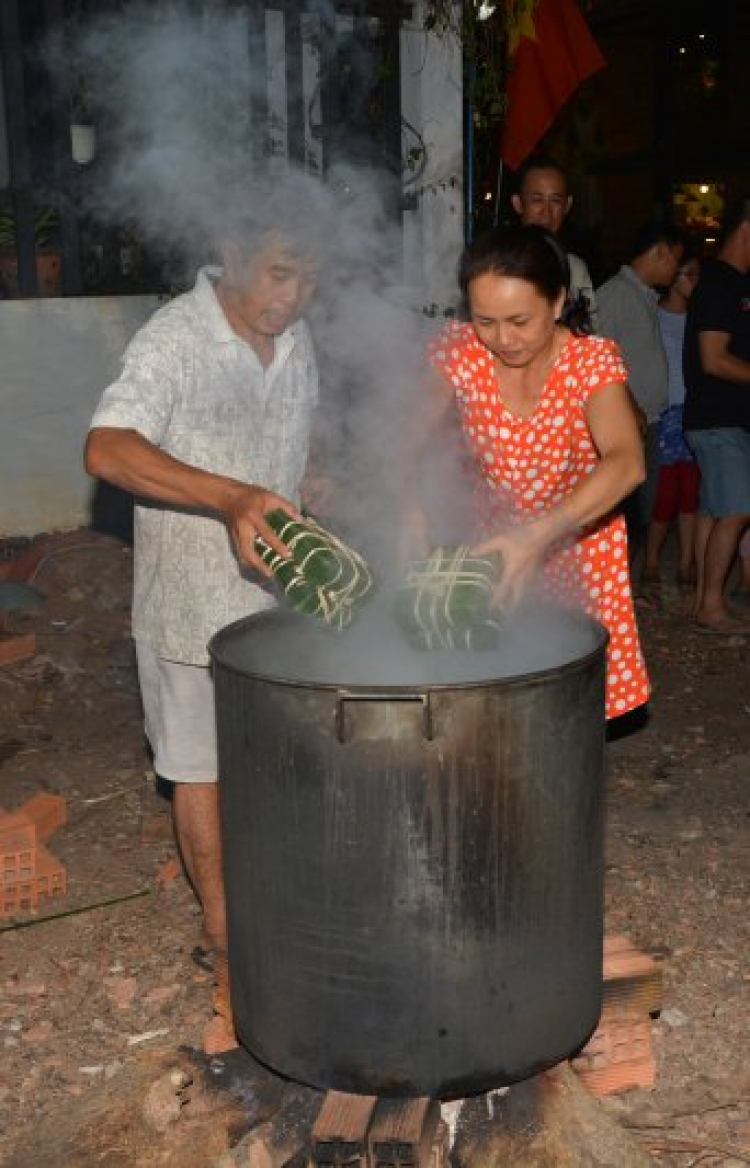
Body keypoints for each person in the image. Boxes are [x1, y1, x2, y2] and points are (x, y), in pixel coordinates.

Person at [84, 181, 324, 1044]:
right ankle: (226, 944)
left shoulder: (294, 342)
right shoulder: (176, 339)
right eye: (278, 273)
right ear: (230, 252)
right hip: (190, 608)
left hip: (277, 610)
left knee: (278, 768)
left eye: (308, 279)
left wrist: (312, 491)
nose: (291, 297)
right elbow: (106, 447)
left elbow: (294, 452)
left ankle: (278, 914)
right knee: (200, 769)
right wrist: (228, 498)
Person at [421, 225, 649, 721]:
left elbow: (627, 463)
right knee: (490, 700)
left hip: (579, 542)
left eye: (519, 320)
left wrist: (537, 536)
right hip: (494, 544)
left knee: (565, 708)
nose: (503, 339)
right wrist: (407, 527)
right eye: (486, 320)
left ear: (558, 299)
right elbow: (401, 444)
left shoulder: (591, 361)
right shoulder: (459, 350)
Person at [597, 222, 685, 557]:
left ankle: (628, 590)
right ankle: (614, 594)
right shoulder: (617, 294)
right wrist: (628, 406)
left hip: (645, 420)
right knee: (623, 513)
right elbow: (598, 358)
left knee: (639, 511)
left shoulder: (642, 295)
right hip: (625, 423)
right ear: (660, 252)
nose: (676, 270)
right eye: (675, 260)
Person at [683, 196, 750, 635]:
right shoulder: (718, 284)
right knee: (738, 509)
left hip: (726, 419)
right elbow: (713, 359)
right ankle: (710, 607)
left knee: (716, 509)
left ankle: (706, 600)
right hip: (716, 418)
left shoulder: (736, 283)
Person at [641, 252, 702, 593]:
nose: (693, 281)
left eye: (696, 274)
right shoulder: (654, 314)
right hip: (664, 411)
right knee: (664, 492)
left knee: (690, 491)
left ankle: (686, 563)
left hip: (692, 410)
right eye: (687, 274)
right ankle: (650, 560)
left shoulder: (700, 317)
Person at [511, 154, 599, 332]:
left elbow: (590, 331)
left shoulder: (575, 268)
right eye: (537, 200)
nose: (546, 212)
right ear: (518, 203)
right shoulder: (497, 264)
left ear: (567, 205)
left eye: (555, 201)